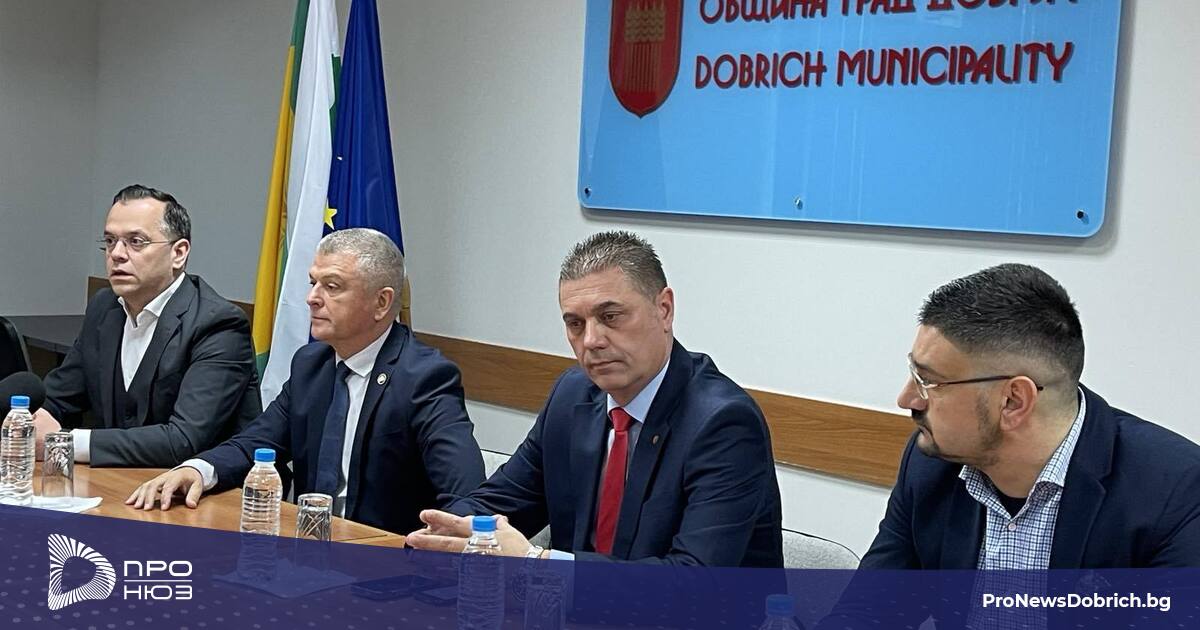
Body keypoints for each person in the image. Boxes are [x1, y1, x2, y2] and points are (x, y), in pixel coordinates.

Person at [406, 231, 783, 566]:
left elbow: (692, 579)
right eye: (575, 324)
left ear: (664, 309)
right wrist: (436, 535)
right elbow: (500, 502)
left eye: (611, 316)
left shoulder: (723, 423)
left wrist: (537, 562)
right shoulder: (572, 396)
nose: (591, 340)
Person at [126, 228, 485, 534]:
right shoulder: (312, 365)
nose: (312, 298)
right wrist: (197, 470)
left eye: (332, 286)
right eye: (313, 283)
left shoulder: (424, 378)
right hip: (307, 552)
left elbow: (465, 493)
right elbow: (255, 444)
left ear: (381, 302)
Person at [862, 263, 1200, 569]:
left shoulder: (1176, 493)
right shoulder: (930, 464)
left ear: (1013, 401)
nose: (907, 399)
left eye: (927, 381)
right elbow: (870, 605)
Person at [34, 185, 260, 467]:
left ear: (179, 253)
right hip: (116, 480)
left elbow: (183, 440)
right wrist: (33, 421)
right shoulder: (104, 308)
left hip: (198, 488)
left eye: (136, 241)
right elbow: (59, 398)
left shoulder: (219, 324)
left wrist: (64, 443)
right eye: (110, 241)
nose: (117, 254)